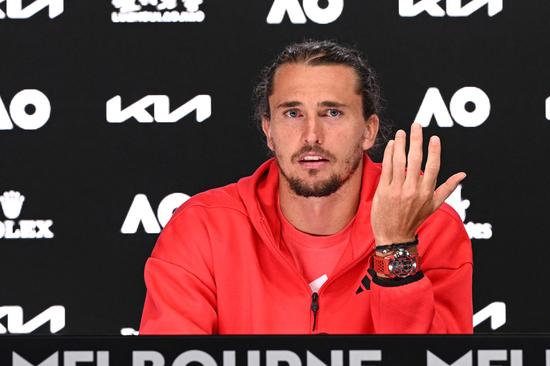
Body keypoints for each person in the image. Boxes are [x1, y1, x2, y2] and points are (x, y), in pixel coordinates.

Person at [139, 40, 473, 334]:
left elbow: (436, 359)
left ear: (369, 131)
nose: (311, 135)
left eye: (332, 112)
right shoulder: (202, 227)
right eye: (293, 114)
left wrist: (396, 247)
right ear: (269, 131)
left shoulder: (431, 227)